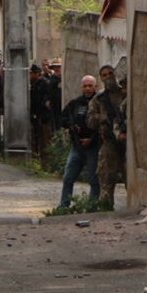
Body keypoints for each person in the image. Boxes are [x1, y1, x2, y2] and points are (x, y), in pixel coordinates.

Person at [58, 75, 102, 208]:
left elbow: (104, 125)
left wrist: (91, 139)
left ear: (96, 87)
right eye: (85, 86)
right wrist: (71, 126)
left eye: (90, 86)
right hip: (77, 147)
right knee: (68, 177)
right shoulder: (75, 103)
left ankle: (92, 206)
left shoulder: (100, 103)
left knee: (94, 179)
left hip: (93, 146)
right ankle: (64, 206)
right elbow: (62, 119)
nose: (88, 88)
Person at [87, 65, 127, 207]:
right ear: (101, 78)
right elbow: (90, 122)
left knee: (130, 176)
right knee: (106, 178)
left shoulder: (124, 94)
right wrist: (103, 117)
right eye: (104, 75)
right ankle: (106, 208)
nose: (108, 76)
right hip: (109, 142)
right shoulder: (98, 99)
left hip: (127, 142)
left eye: (110, 73)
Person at [29, 64, 53, 162]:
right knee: (36, 139)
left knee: (45, 141)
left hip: (44, 117)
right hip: (37, 116)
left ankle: (46, 163)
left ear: (37, 73)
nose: (29, 75)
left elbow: (45, 100)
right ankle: (37, 161)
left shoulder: (45, 83)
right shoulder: (34, 84)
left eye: (31, 73)